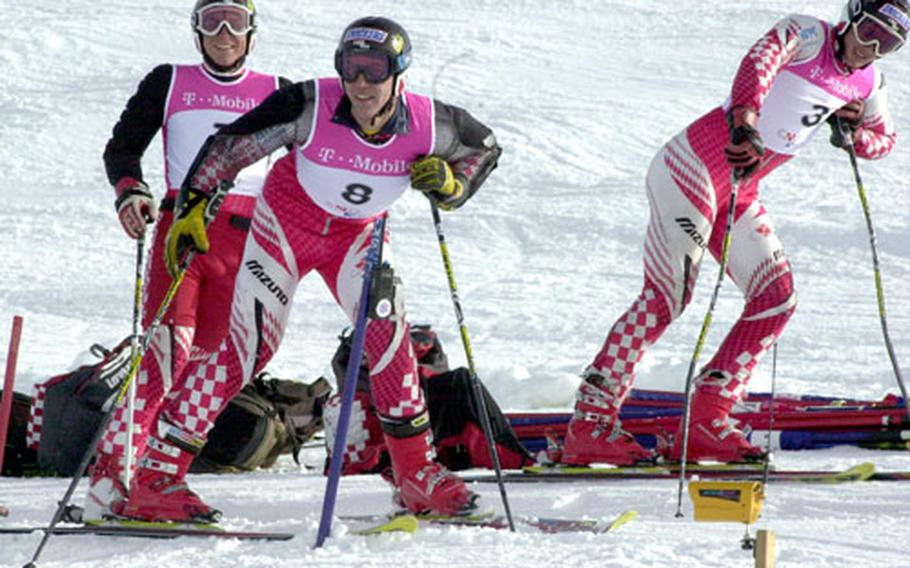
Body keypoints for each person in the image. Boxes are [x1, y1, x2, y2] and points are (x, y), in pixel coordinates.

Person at [163, 17, 502, 516]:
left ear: (398, 73)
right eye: (351, 68)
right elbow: (232, 147)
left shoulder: (433, 122)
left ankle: (417, 475)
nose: (361, 84)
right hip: (286, 227)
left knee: (387, 332)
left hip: (357, 235)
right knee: (250, 347)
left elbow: (483, 150)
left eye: (374, 70)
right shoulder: (311, 103)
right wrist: (193, 206)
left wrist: (452, 186)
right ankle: (157, 473)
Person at [562, 0, 907, 466]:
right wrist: (745, 119)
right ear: (850, 17)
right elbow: (760, 60)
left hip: (739, 191)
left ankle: (708, 417)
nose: (871, 49)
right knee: (668, 297)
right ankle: (591, 423)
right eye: (869, 33)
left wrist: (853, 133)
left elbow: (882, 140)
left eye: (889, 43)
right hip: (692, 168)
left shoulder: (870, 83)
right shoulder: (808, 34)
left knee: (776, 298)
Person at [87, 0, 289, 523]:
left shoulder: (278, 90)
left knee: (214, 363)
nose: (224, 34)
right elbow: (123, 147)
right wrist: (130, 192)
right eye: (212, 22)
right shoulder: (169, 81)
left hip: (247, 241)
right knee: (165, 356)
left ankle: (158, 474)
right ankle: (108, 483)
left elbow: (311, 162)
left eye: (236, 22)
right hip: (186, 230)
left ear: (252, 31)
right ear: (196, 31)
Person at [323, 325, 535, 477]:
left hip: (381, 453)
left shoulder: (351, 365)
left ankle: (509, 456)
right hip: (402, 454)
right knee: (462, 383)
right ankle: (515, 460)